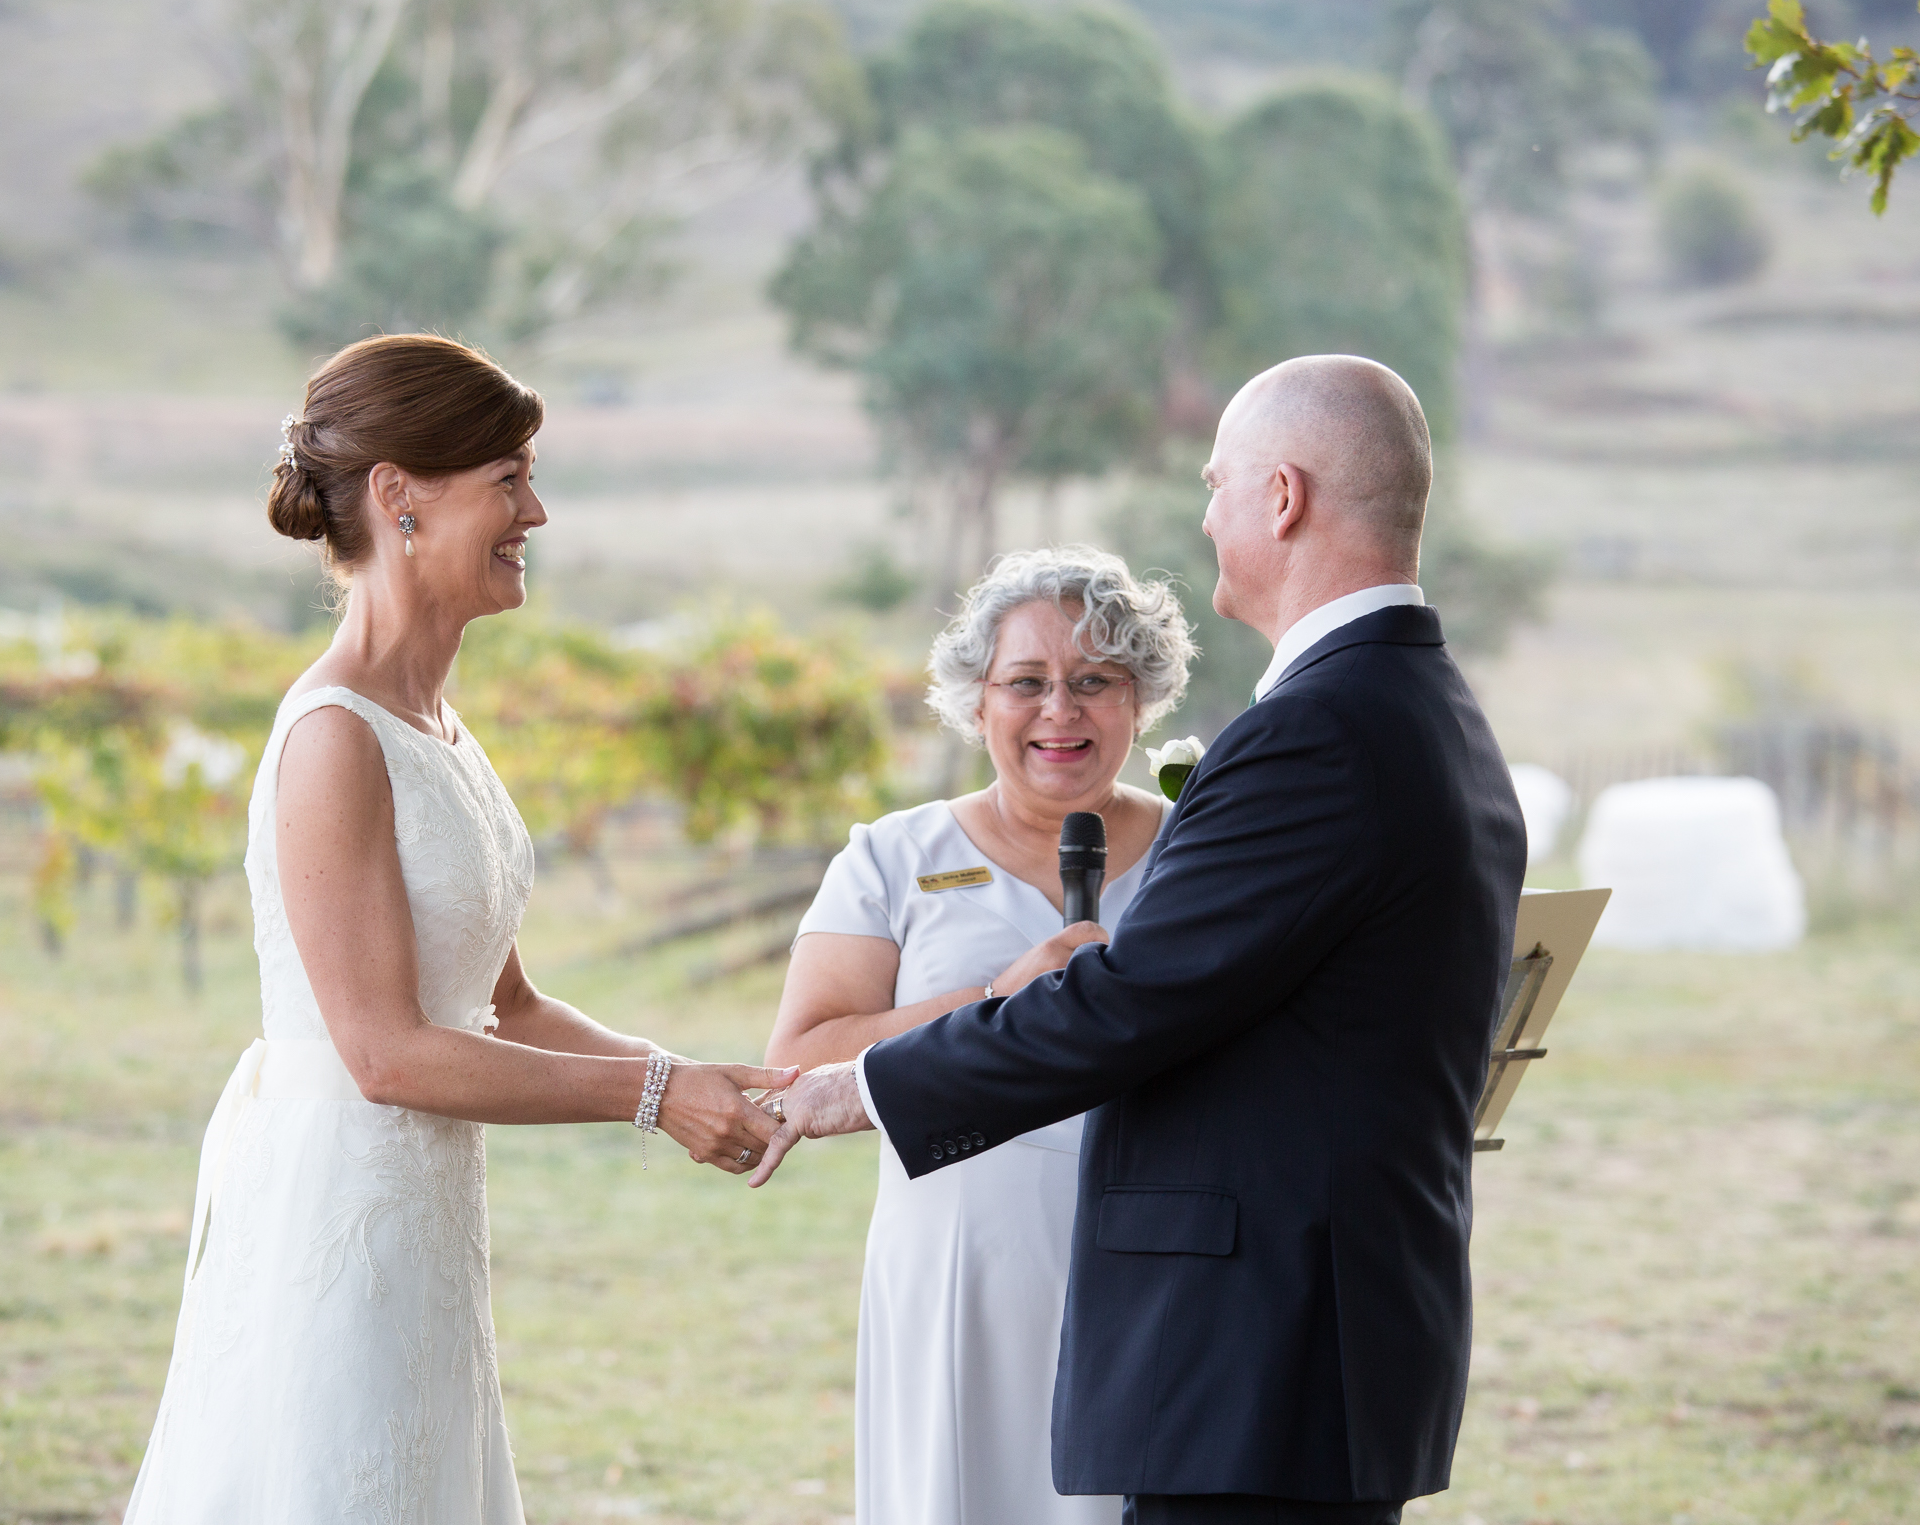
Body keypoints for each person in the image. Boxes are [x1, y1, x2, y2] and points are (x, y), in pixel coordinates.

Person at [754, 355, 1530, 1525]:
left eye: (1217, 486)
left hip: (1260, 1358)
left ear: (1281, 499)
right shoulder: (1422, 706)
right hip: (1307, 1348)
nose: (1205, 516)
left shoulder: (1313, 734)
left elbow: (1126, 1001)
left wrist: (852, 1089)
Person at [124, 334, 792, 1524]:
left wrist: (690, 1074)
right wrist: (652, 1098)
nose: (535, 510)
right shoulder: (335, 737)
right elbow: (383, 1052)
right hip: (342, 1219)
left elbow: (509, 1003)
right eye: (508, 479)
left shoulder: (436, 727)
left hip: (429, 1231)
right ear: (400, 497)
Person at [766, 546, 1196, 1525]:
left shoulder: (1201, 849)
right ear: (977, 699)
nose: (1061, 711)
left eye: (1095, 681)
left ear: (1142, 698)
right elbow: (802, 1057)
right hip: (960, 1270)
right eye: (1027, 683)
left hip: (1159, 1267)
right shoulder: (893, 855)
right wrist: (1000, 993)